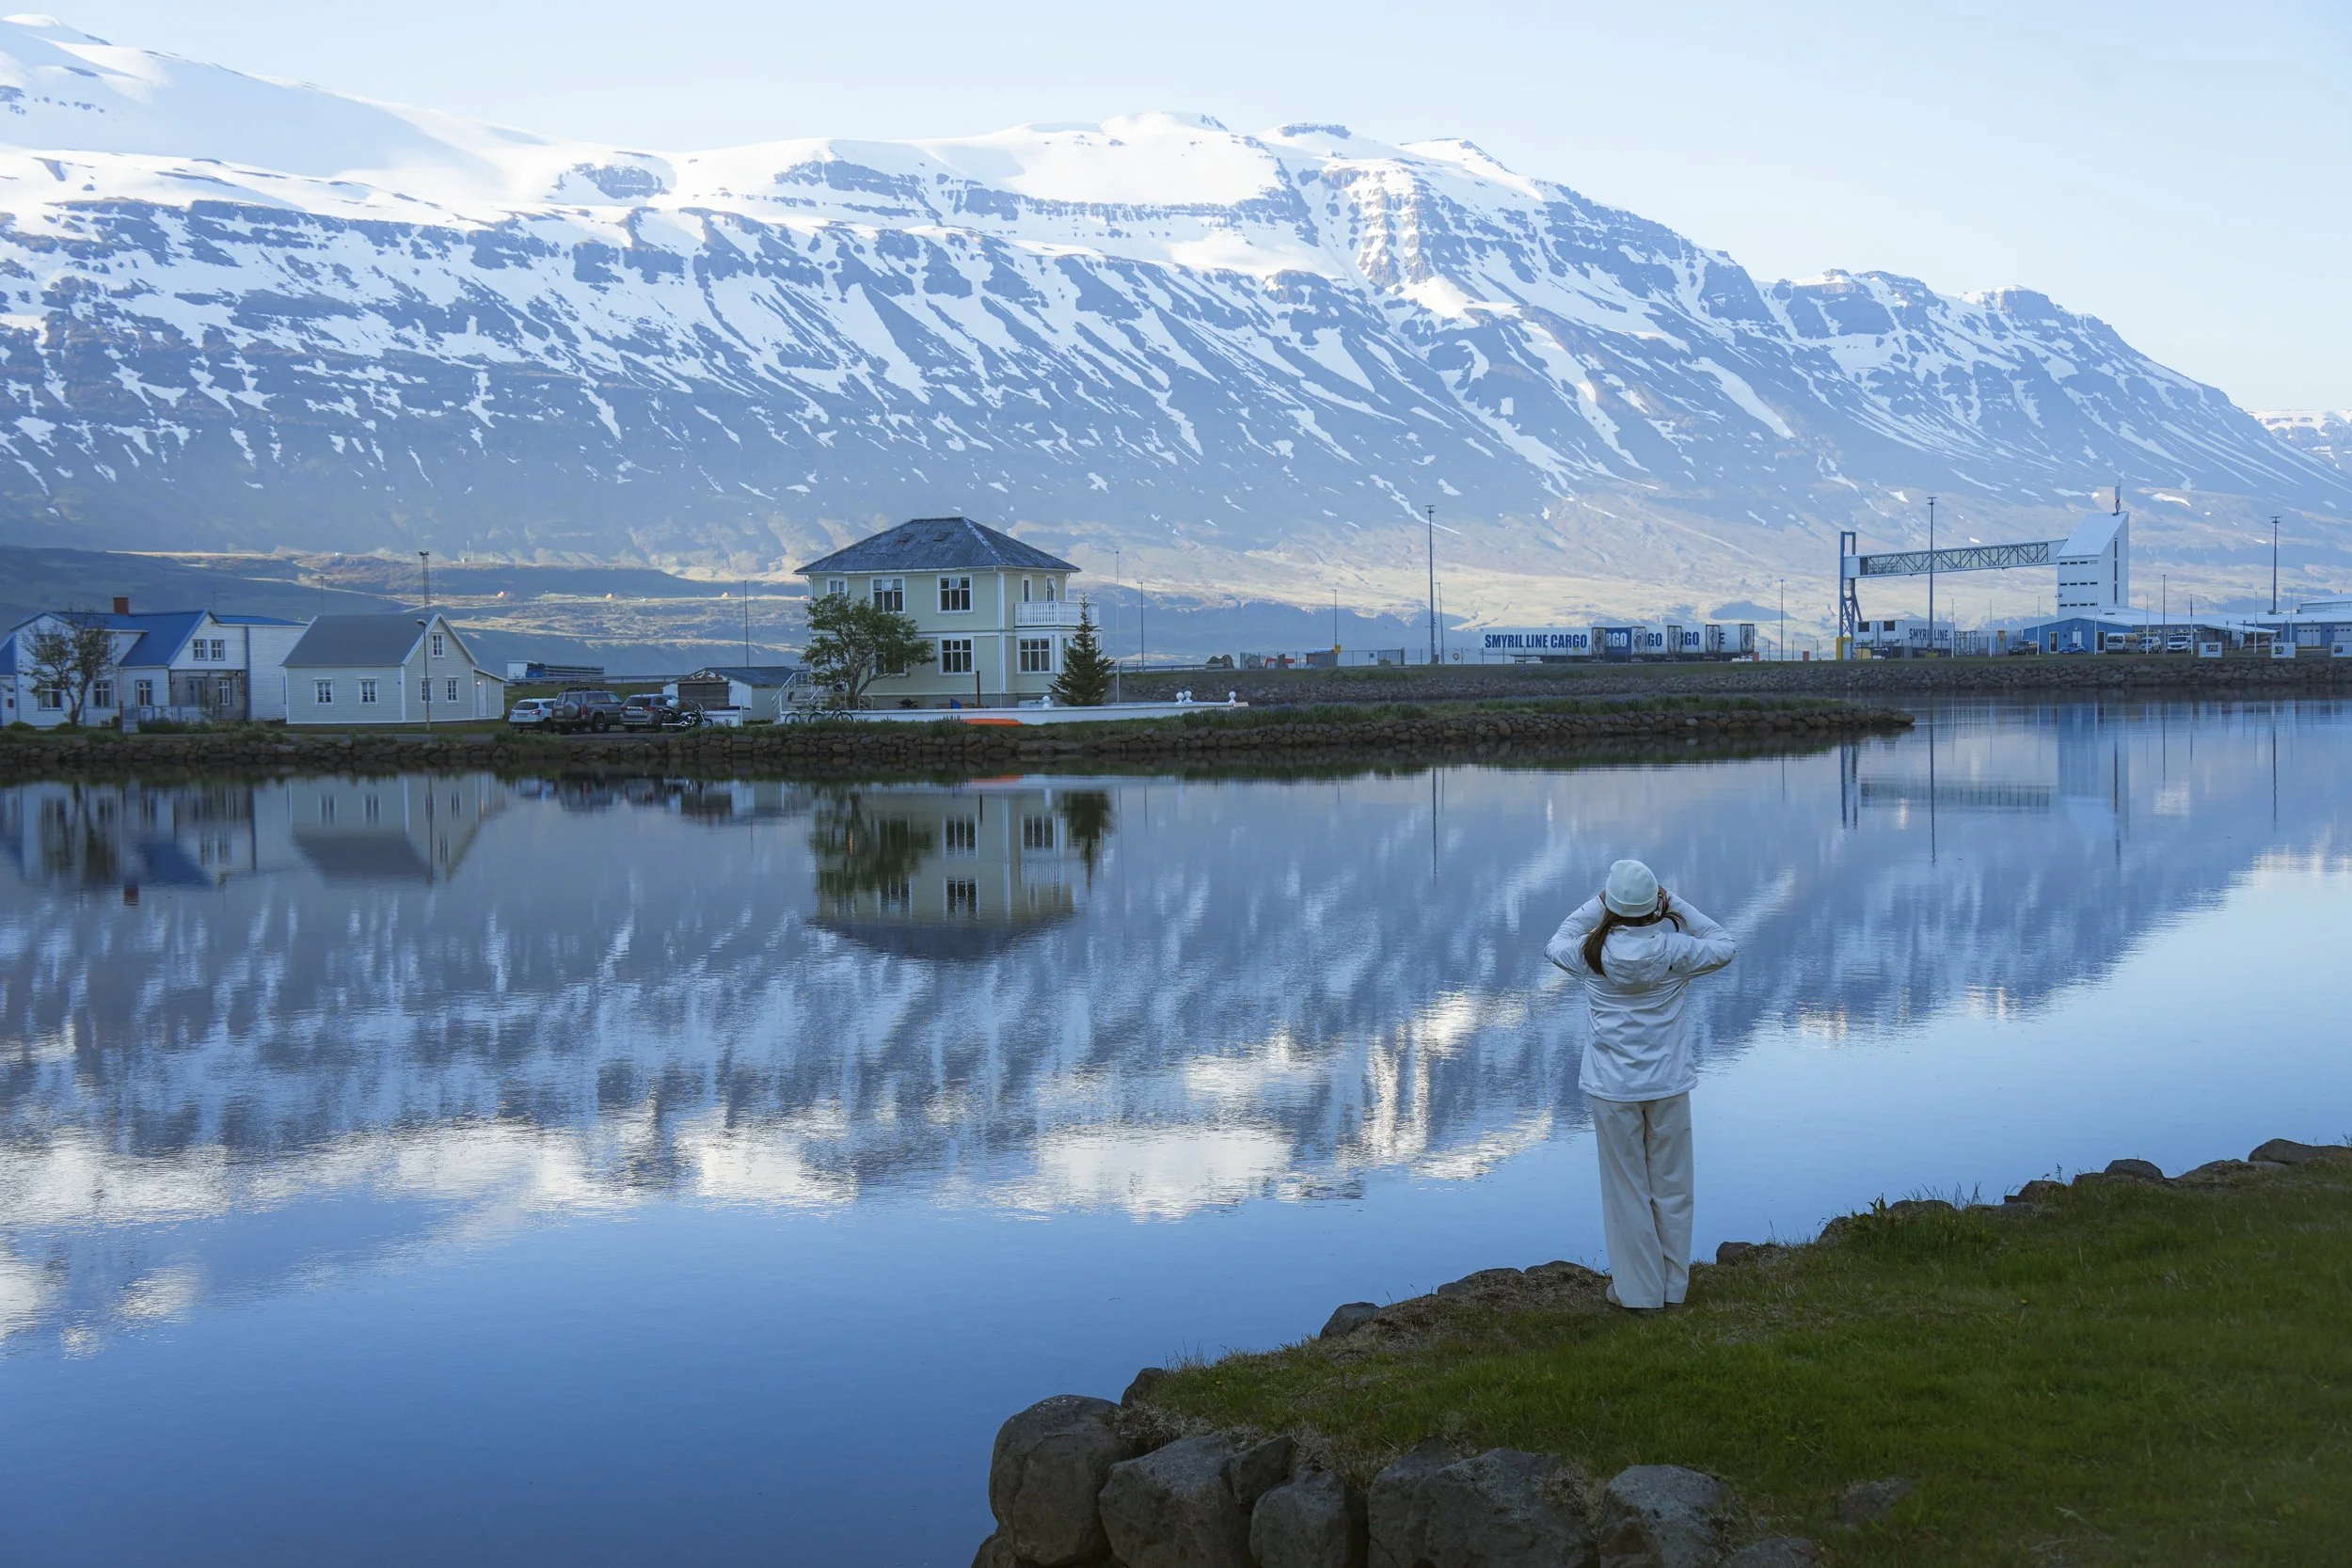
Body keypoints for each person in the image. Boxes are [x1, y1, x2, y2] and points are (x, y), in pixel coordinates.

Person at [1546, 859, 1736, 1311]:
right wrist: (1676, 904)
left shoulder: (1590, 955)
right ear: (1655, 906)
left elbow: (1556, 941)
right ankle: (1673, 1288)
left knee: (1626, 1191)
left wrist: (1599, 904)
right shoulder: (1677, 951)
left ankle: (1638, 1293)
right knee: (1673, 1187)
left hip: (1612, 1089)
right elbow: (1724, 944)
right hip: (1669, 1085)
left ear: (1610, 906)